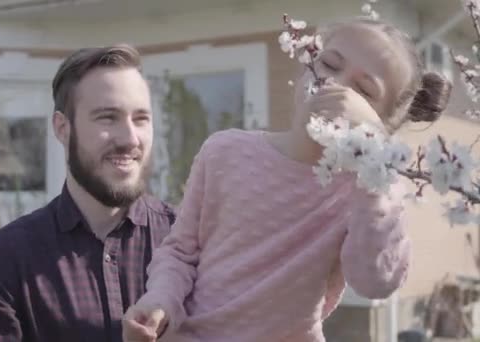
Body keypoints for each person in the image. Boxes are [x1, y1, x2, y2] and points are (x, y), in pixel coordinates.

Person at [122, 18, 452, 342]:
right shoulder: (225, 152)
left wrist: (377, 163)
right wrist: (160, 300)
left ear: (382, 125)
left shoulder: (366, 191)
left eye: (363, 91)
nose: (334, 86)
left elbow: (376, 280)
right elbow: (180, 252)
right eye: (330, 64)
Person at [0, 44, 175, 342]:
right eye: (107, 117)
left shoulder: (186, 242)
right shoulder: (11, 258)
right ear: (62, 128)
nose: (129, 138)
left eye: (141, 119)